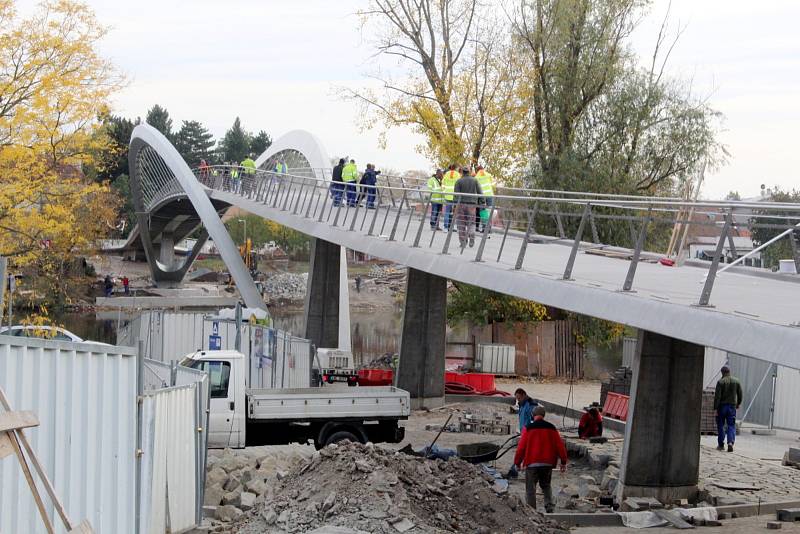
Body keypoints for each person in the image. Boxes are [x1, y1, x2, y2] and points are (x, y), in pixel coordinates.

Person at [513, 406, 567, 513]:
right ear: (544, 415)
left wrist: (517, 463)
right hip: (547, 463)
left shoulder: (528, 428)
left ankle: (532, 511)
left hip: (532, 463)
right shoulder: (552, 428)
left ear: (533, 415)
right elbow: (560, 446)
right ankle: (549, 507)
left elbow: (521, 448)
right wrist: (563, 462)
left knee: (530, 488)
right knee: (546, 485)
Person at [507, 388, 537, 479]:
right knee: (523, 452)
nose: (518, 400)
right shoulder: (522, 404)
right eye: (517, 398)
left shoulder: (531, 405)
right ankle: (516, 469)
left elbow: (534, 419)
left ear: (524, 395)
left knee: (521, 452)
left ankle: (515, 470)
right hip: (524, 432)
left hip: (529, 433)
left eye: (519, 398)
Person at [714, 365, 743, 452]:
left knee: (721, 425)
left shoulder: (720, 382)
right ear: (729, 371)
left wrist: (715, 408)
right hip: (732, 407)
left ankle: (721, 445)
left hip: (722, 407)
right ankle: (730, 442)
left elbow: (717, 397)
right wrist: (738, 403)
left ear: (722, 372)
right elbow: (740, 394)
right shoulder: (736, 381)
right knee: (731, 425)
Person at [454, 166, 482, 247]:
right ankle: (472, 235)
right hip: (472, 205)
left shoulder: (458, 181)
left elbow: (456, 195)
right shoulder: (475, 180)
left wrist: (455, 205)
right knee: (472, 222)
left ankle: (463, 242)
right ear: (469, 172)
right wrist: (482, 202)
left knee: (461, 223)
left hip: (461, 205)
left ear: (462, 172)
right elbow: (480, 192)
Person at [474, 165, 494, 233]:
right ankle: (489, 228)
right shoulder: (488, 174)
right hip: (490, 195)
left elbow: (476, 188)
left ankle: (484, 228)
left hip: (482, 196)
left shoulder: (476, 177)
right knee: (489, 212)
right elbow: (492, 183)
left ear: (477, 170)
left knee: (483, 212)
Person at [441, 164, 460, 230]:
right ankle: (452, 227)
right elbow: (459, 184)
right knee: (455, 212)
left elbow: (443, 183)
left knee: (447, 211)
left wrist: (444, 191)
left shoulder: (446, 174)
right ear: (455, 168)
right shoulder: (457, 174)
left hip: (447, 195)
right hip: (455, 196)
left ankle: (445, 227)